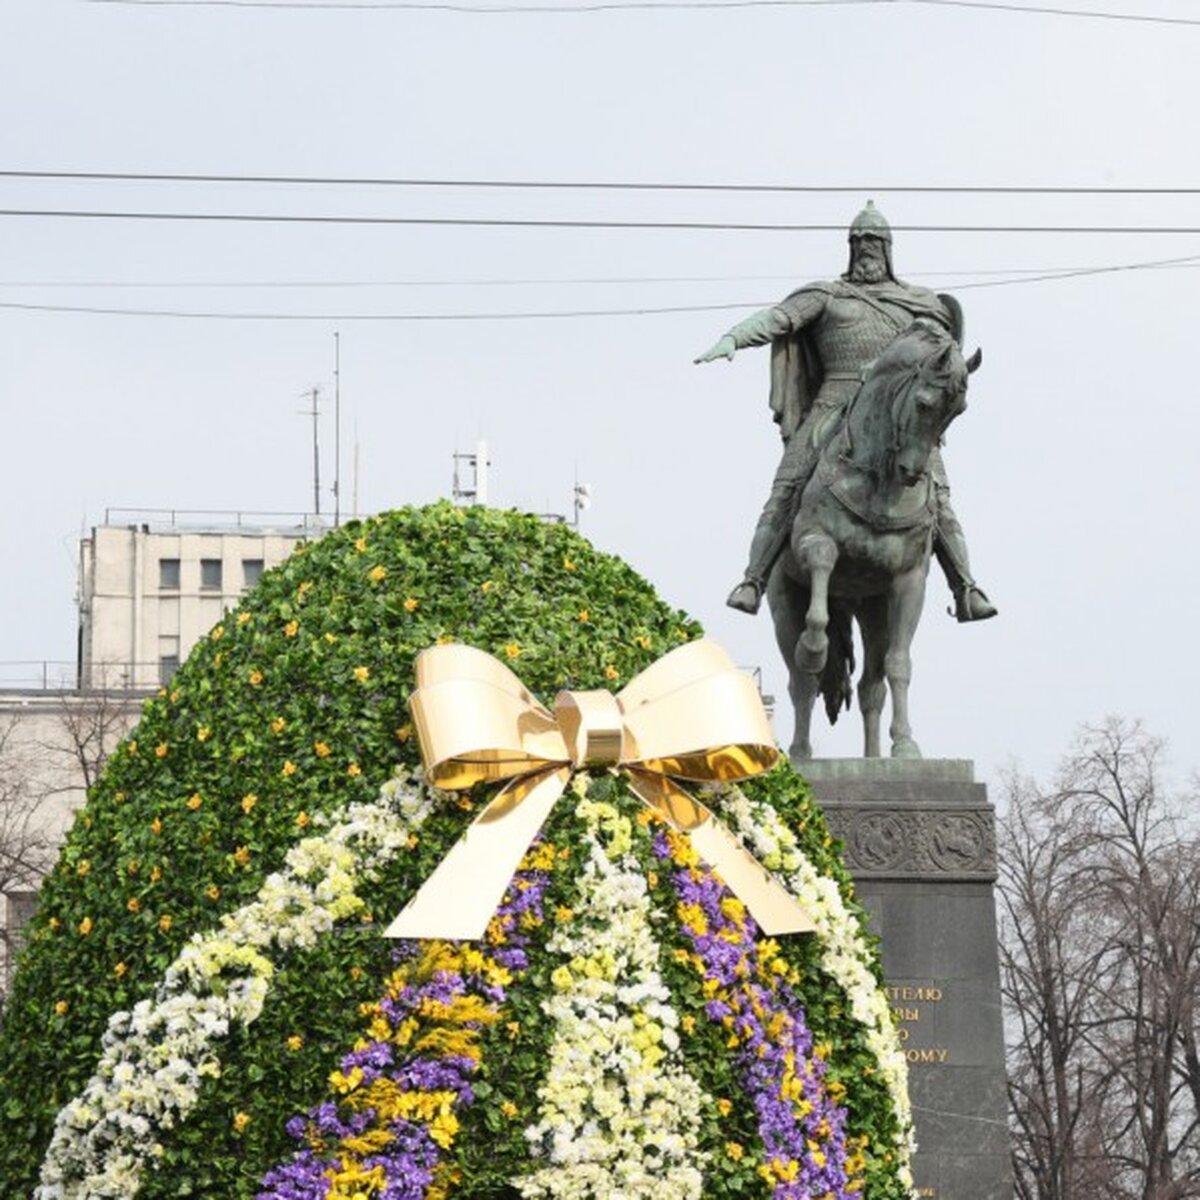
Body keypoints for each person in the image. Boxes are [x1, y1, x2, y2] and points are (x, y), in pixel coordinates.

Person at [695, 200, 996, 622]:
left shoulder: (920, 304)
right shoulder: (826, 295)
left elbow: (944, 361)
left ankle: (965, 586)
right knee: (787, 486)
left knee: (940, 499)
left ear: (889, 248)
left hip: (901, 417)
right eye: (859, 242)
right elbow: (779, 319)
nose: (866, 249)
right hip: (832, 404)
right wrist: (734, 337)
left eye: (874, 241)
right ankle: (754, 580)